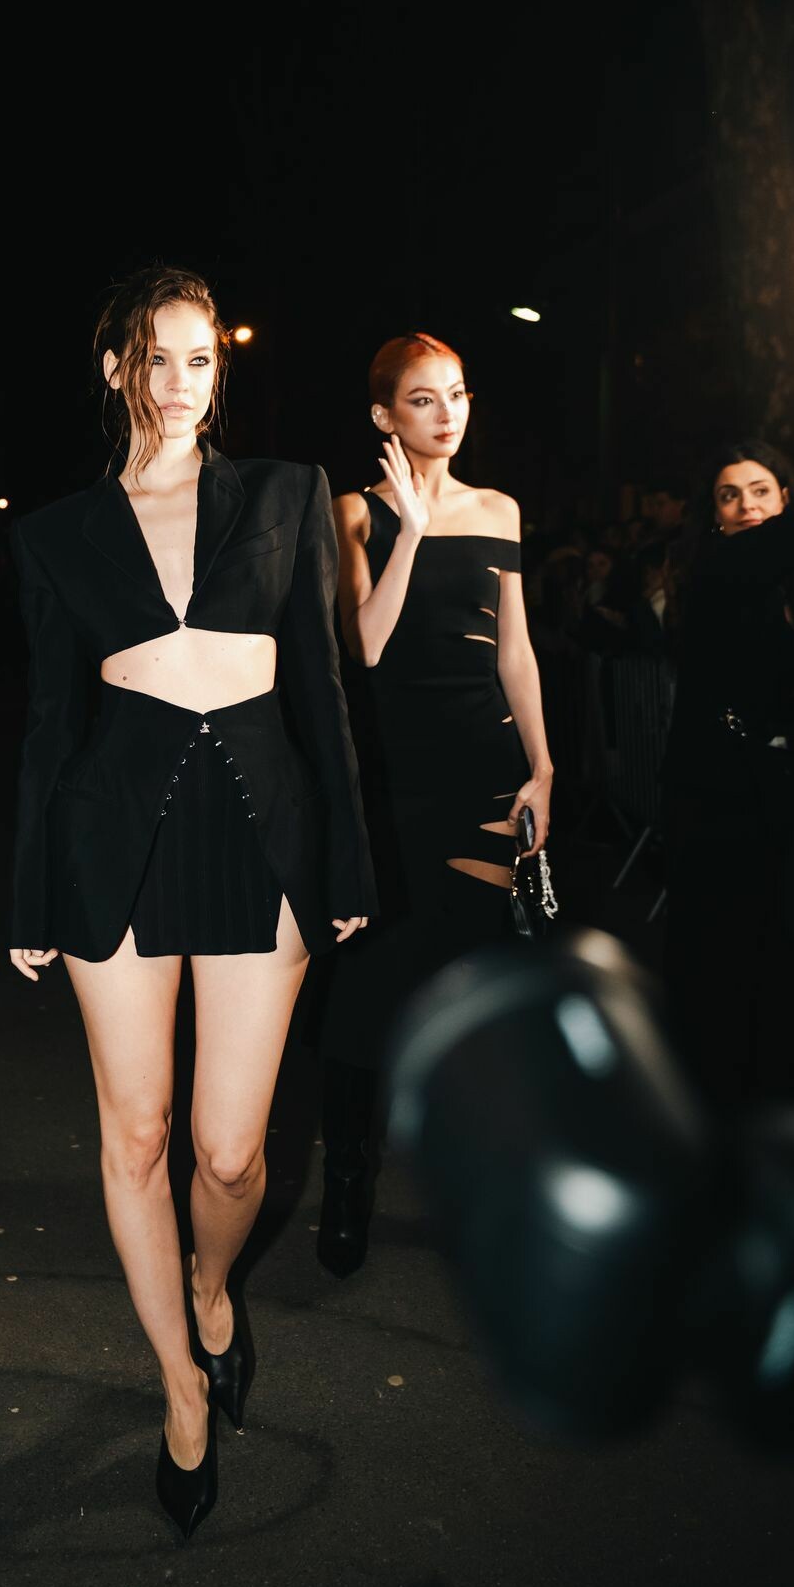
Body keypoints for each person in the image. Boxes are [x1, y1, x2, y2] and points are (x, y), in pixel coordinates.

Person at [7, 265, 375, 1540]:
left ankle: (212, 1287)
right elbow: (49, 725)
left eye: (200, 358)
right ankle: (176, 1379)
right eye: (155, 357)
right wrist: (28, 894)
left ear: (221, 371)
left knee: (227, 1151)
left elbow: (322, 689)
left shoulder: (284, 494)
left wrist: (349, 864)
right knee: (137, 1135)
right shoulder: (59, 533)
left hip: (259, 829)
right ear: (116, 367)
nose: (179, 382)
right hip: (110, 836)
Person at [315, 332, 554, 1277]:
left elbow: (515, 651)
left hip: (485, 771)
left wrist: (543, 766)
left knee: (480, 990)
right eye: (423, 398)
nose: (447, 412)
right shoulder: (353, 512)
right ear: (384, 415)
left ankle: (483, 1193)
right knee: (367, 987)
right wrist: (411, 530)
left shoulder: (500, 509)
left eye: (456, 393)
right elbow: (365, 645)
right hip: (390, 777)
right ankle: (348, 1180)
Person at [661, 441, 794, 1111]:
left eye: (760, 490)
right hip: (719, 799)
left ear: (782, 495)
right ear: (713, 515)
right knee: (726, 969)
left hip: (779, 787)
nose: (746, 505)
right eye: (728, 495)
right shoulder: (720, 566)